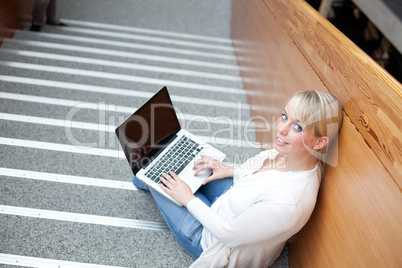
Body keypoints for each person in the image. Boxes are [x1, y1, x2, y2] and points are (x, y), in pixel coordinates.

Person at [133, 90, 343, 267]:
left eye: (298, 127)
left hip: (215, 243)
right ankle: (157, 176)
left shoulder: (288, 201)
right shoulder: (299, 157)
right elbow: (261, 176)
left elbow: (228, 234)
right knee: (191, 164)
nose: (282, 128)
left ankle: (144, 179)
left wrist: (188, 198)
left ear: (319, 143)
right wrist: (228, 170)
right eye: (284, 116)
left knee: (156, 174)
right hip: (234, 203)